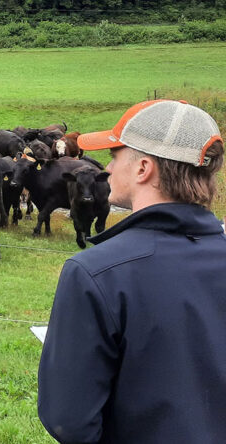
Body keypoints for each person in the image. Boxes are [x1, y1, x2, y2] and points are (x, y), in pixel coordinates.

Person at [38, 100, 226, 443]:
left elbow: (68, 419)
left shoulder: (96, 273)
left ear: (142, 168)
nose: (107, 169)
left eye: (114, 156)